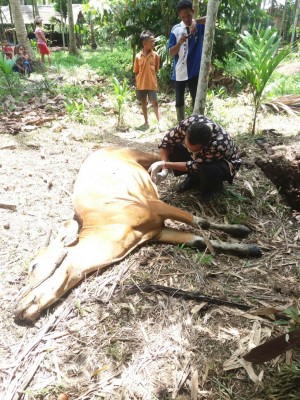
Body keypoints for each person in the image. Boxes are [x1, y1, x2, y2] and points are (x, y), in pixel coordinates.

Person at [148, 115, 242, 202]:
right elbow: (166, 142)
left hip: (224, 163)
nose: (188, 150)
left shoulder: (218, 145)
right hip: (201, 158)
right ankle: (194, 178)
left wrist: (165, 164)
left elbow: (196, 165)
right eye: (187, 145)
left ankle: (213, 187)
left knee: (207, 169)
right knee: (174, 148)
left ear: (205, 145)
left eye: (194, 150)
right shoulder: (188, 123)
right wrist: (164, 169)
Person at [169, 0, 206, 122]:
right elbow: (171, 53)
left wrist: (196, 21)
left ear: (193, 12)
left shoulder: (199, 25)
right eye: (183, 16)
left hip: (194, 71)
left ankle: (196, 124)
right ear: (180, 16)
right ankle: (181, 125)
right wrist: (179, 43)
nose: (186, 19)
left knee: (196, 99)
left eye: (189, 15)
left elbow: (212, 19)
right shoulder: (176, 30)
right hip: (179, 71)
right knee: (179, 101)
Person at [133, 30, 161, 128]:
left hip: (152, 84)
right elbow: (136, 71)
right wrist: (137, 84)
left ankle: (159, 122)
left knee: (155, 102)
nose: (154, 43)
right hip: (141, 84)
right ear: (145, 43)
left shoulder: (156, 55)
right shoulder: (137, 56)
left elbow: (156, 70)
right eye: (152, 42)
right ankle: (146, 121)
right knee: (144, 102)